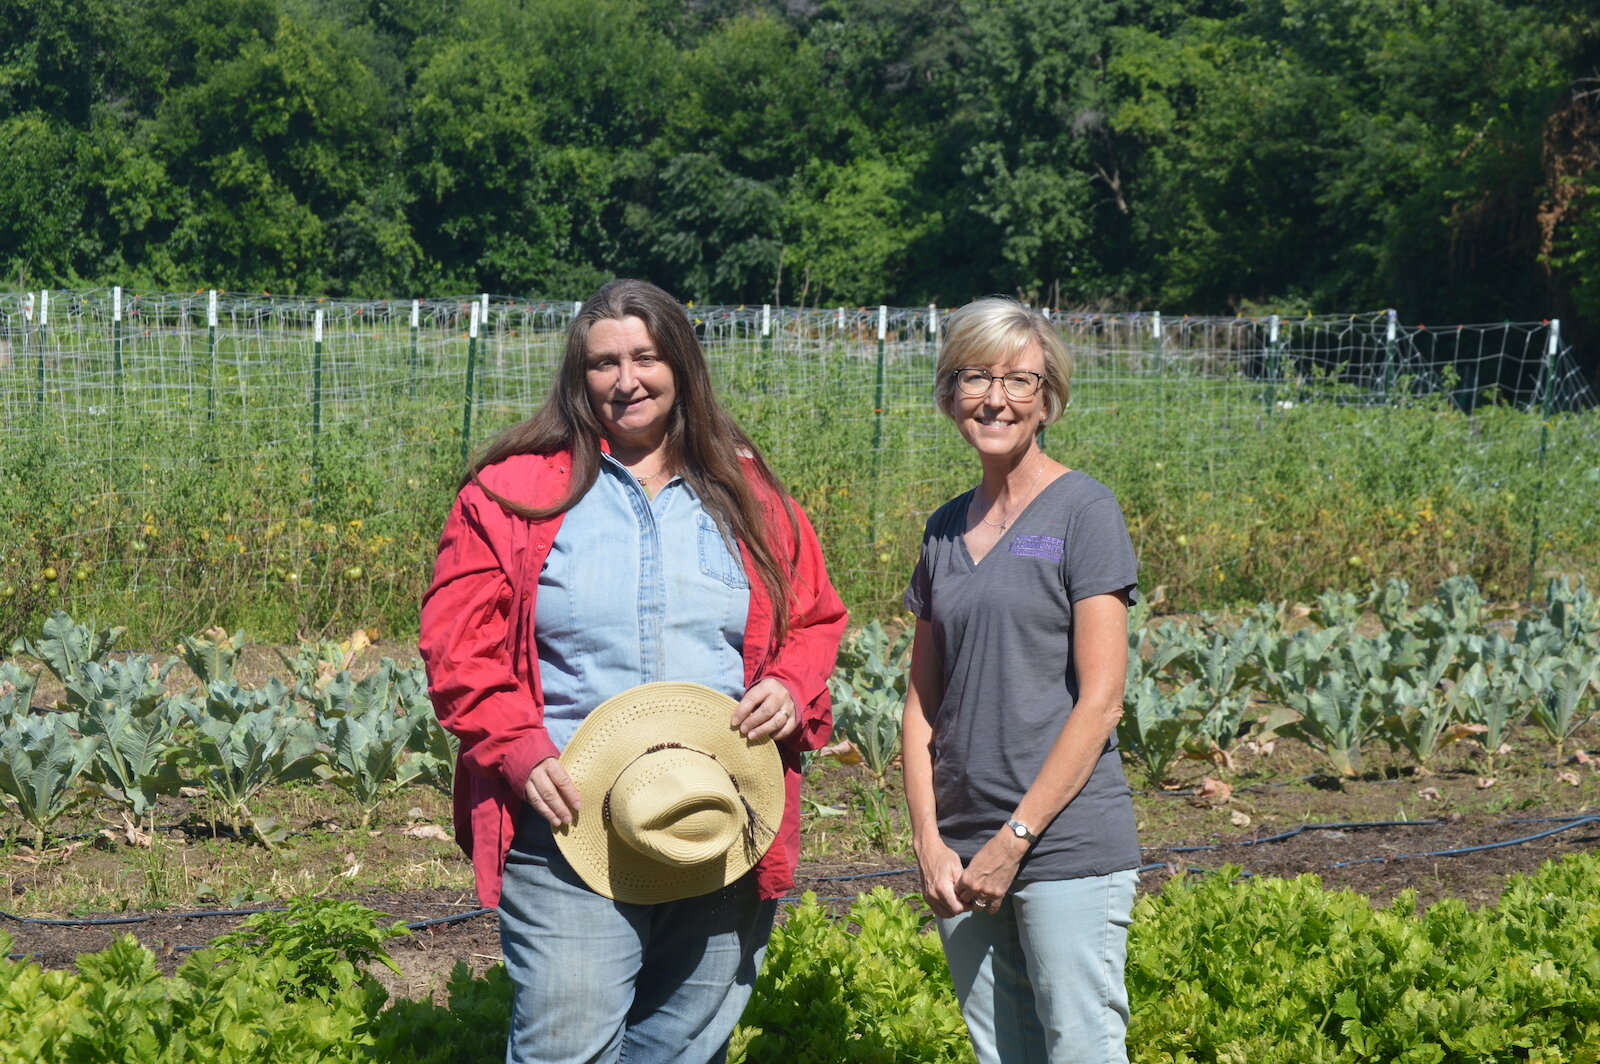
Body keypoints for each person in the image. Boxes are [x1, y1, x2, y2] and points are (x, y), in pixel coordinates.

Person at [419, 278, 847, 1064]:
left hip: (715, 812)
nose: (626, 380)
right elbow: (457, 644)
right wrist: (516, 745)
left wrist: (789, 684)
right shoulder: (515, 493)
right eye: (603, 363)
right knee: (567, 1045)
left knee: (685, 1048)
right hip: (569, 814)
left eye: (646, 357)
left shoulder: (746, 493)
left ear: (681, 363)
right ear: (577, 378)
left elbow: (814, 616)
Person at [901, 297, 1141, 1064]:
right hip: (962, 845)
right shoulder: (943, 530)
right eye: (977, 377)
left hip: (1063, 842)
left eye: (1020, 381)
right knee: (1002, 1053)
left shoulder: (1084, 510)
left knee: (1079, 1048)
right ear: (950, 394)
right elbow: (920, 704)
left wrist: (1016, 839)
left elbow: (1101, 700)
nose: (996, 398)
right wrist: (929, 840)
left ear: (1048, 399)